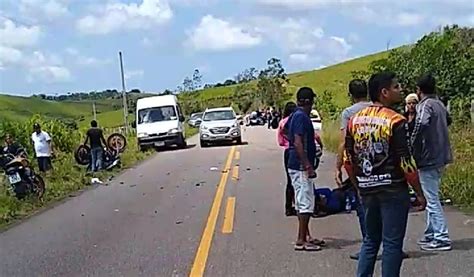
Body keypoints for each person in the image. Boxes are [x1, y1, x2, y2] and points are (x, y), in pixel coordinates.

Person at [345, 72, 426, 277]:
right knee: (391, 244)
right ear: (384, 92)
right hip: (392, 189)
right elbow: (406, 162)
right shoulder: (396, 120)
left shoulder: (354, 120)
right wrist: (418, 192)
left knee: (371, 241)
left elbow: (348, 159)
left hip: (367, 188)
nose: (400, 90)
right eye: (396, 87)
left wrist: (358, 185)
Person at [411, 73, 453, 251]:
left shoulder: (425, 105)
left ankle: (441, 237)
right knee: (431, 195)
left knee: (431, 198)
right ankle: (431, 233)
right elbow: (448, 120)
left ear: (418, 90)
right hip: (442, 155)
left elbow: (421, 124)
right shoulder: (440, 104)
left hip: (428, 156)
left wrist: (412, 143)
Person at [335, 79, 371, 260]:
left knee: (363, 203)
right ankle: (392, 246)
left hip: (359, 163)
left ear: (351, 95)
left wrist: (338, 167)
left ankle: (368, 246)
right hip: (382, 161)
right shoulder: (378, 108)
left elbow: (343, 142)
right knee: (385, 204)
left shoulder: (349, 113)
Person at [287, 87, 325, 251]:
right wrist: (308, 166)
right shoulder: (301, 117)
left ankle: (307, 235)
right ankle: (301, 240)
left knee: (304, 200)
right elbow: (297, 142)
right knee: (305, 203)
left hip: (297, 164)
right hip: (301, 166)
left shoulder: (296, 115)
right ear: (310, 101)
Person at [277, 101, 297, 216]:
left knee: (290, 180)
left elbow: (280, 142)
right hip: (296, 150)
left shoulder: (282, 122)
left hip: (287, 151)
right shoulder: (296, 120)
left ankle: (288, 207)